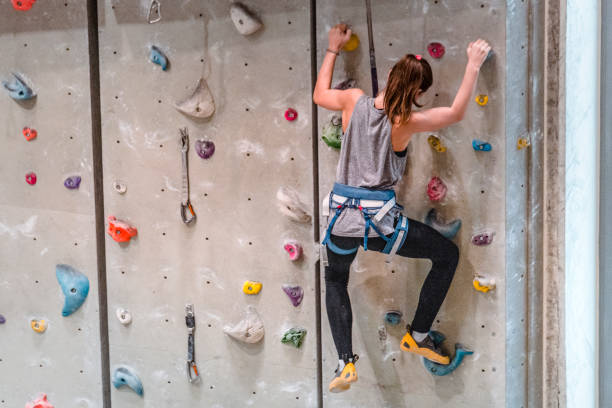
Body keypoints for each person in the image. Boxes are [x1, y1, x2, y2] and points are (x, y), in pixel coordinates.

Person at [313, 23, 491, 393]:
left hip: (341, 219)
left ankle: (346, 362)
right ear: (419, 93)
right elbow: (456, 113)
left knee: (334, 279)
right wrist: (473, 64)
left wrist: (333, 48)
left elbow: (318, 96)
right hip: (379, 224)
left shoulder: (353, 100)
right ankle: (419, 334)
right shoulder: (405, 122)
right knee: (445, 255)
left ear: (391, 74)